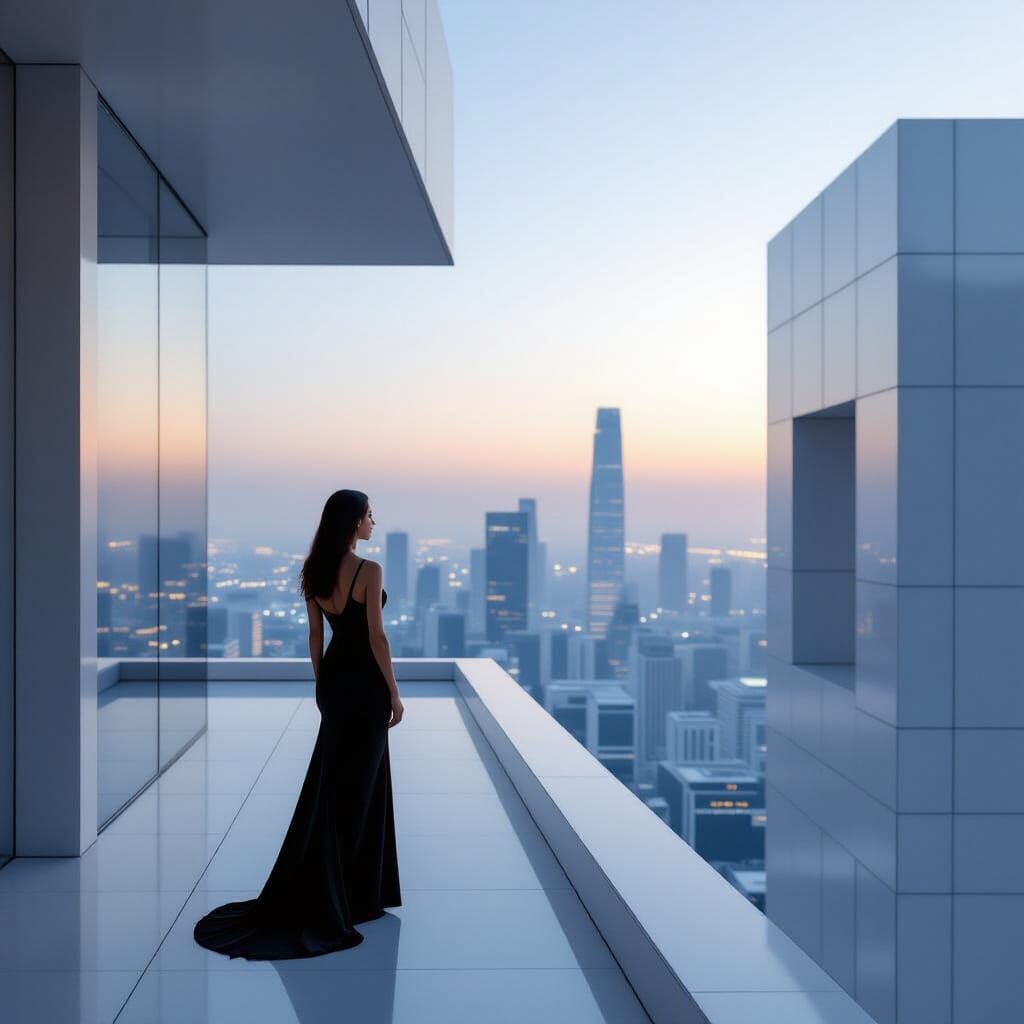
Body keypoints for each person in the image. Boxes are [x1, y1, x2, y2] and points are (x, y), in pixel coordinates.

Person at [193, 489, 404, 958]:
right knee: (363, 788)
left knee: (332, 786)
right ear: (353, 523)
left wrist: (321, 683)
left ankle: (337, 890)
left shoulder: (314, 571)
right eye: (370, 515)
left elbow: (315, 635)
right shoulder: (369, 571)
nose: (374, 522)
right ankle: (353, 895)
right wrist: (393, 690)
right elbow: (376, 635)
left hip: (333, 683)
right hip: (366, 688)